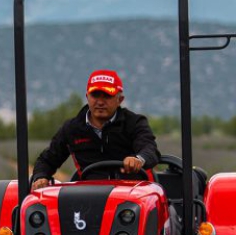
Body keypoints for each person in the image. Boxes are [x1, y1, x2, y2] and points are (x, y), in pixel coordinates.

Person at [31, 69, 160, 190]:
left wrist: (138, 159)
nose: (100, 102)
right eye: (95, 95)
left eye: (107, 96)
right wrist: (41, 177)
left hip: (134, 193)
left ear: (119, 100)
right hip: (90, 196)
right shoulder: (72, 128)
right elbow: (46, 160)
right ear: (87, 96)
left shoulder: (134, 122)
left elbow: (149, 149)